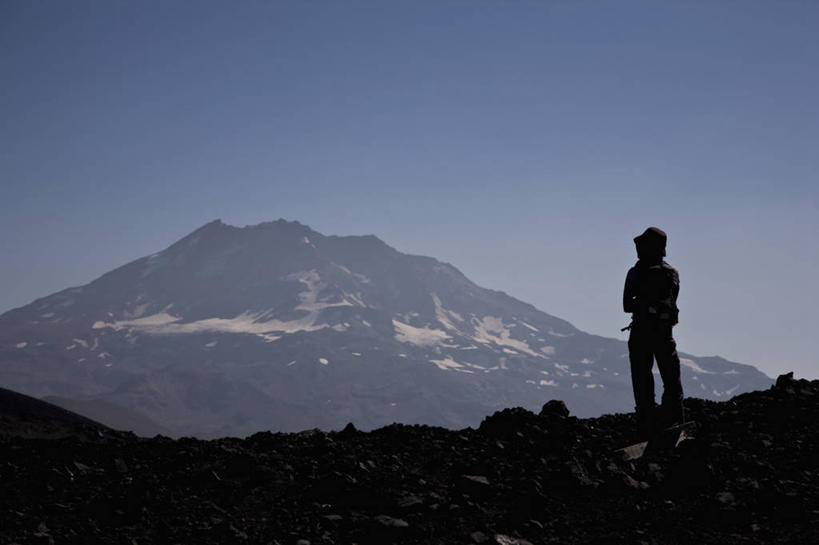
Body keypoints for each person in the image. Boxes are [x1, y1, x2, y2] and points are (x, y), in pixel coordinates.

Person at [623, 227, 684, 437]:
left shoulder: (636, 273)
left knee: (642, 380)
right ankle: (673, 421)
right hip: (663, 334)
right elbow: (672, 301)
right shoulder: (671, 273)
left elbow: (626, 305)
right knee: (671, 378)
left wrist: (643, 305)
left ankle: (646, 424)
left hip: (641, 333)